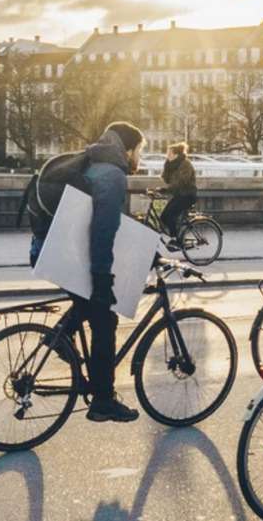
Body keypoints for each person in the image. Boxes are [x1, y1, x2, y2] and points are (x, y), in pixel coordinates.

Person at [82, 122, 147, 422]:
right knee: (104, 319)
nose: (140, 158)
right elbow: (103, 231)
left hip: (51, 249)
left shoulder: (96, 163)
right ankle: (103, 401)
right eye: (140, 150)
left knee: (85, 305)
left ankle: (58, 341)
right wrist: (103, 278)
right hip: (76, 255)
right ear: (128, 148)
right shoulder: (113, 174)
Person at [159, 142, 196, 240]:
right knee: (163, 217)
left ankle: (175, 239)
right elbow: (167, 180)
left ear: (176, 155)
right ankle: (174, 236)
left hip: (187, 196)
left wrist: (166, 190)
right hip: (179, 195)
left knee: (169, 215)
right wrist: (167, 167)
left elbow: (180, 182)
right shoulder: (172, 165)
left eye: (169, 153)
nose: (167, 156)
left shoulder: (185, 164)